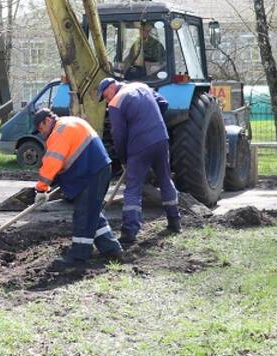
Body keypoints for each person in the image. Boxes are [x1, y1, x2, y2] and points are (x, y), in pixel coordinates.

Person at [32, 108, 124, 268]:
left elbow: (52, 162)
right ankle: (111, 249)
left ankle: (79, 256)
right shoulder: (69, 122)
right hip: (97, 169)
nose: (42, 134)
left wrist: (41, 189)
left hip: (92, 172)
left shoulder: (59, 132)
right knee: (92, 212)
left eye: (41, 129)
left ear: (47, 120)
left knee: (84, 214)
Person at [97, 78, 180, 243]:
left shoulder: (116, 103)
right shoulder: (142, 86)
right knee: (165, 180)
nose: (107, 100)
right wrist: (152, 121)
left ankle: (130, 231)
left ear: (112, 87)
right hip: (161, 138)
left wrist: (123, 159)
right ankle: (174, 221)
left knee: (133, 187)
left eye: (105, 95)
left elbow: (119, 136)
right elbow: (163, 103)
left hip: (139, 145)